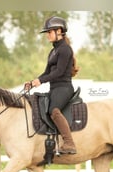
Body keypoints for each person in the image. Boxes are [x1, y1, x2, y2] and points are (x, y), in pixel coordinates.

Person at [25, 16, 79, 154]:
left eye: (49, 32)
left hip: (64, 88)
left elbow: (60, 72)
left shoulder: (65, 50)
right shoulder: (53, 51)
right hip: (54, 88)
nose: (47, 35)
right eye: (47, 32)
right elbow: (47, 72)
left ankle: (69, 143)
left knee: (54, 111)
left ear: (59, 31)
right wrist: (33, 82)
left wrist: (41, 81)